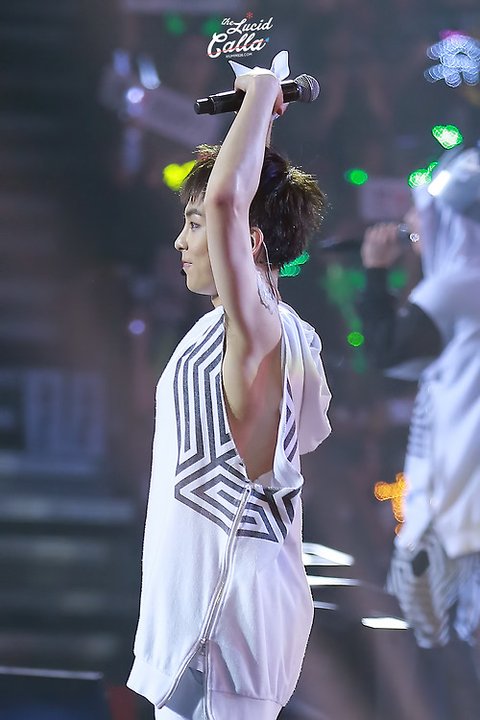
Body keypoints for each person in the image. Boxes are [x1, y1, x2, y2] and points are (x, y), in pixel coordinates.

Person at [126, 58, 332, 720]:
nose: (182, 241)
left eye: (194, 225)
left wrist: (261, 92)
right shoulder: (245, 327)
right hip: (210, 629)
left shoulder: (261, 329)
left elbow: (227, 203)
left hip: (224, 635)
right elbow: (236, 205)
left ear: (246, 241)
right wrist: (258, 122)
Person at [359, 145, 480, 719]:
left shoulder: (460, 284)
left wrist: (375, 271)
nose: (413, 223)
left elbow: (387, 350)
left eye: (425, 213)